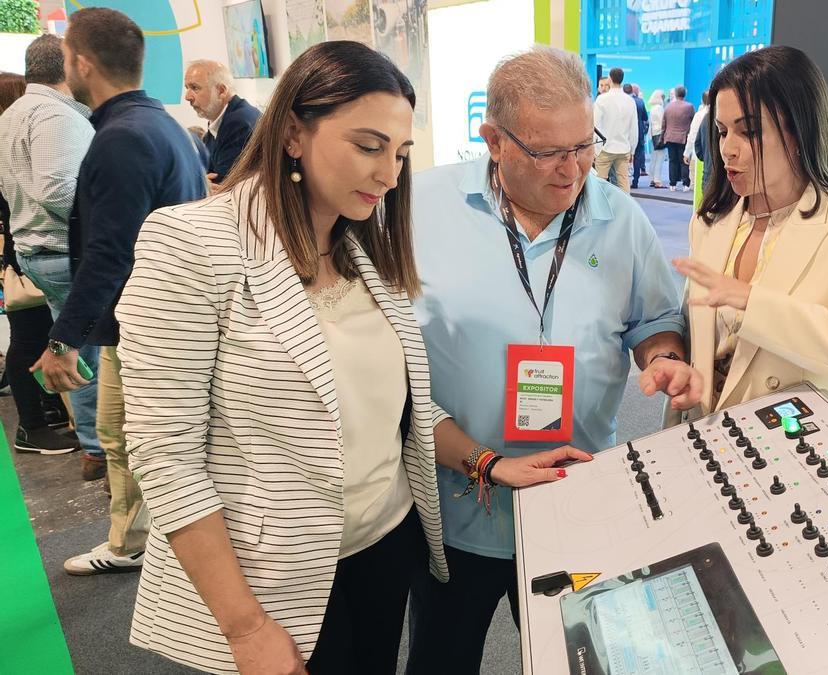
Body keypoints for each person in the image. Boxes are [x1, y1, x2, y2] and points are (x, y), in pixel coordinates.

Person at [118, 40, 576, 674]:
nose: (389, 173)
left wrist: (489, 463)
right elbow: (164, 452)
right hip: (275, 581)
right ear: (293, 135)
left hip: (386, 547)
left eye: (400, 153)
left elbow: (405, 405)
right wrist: (246, 626)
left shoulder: (368, 255)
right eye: (369, 146)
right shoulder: (193, 243)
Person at [406, 46, 703, 674]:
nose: (573, 170)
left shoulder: (619, 218)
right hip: (456, 502)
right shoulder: (419, 206)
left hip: (576, 496)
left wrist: (665, 356)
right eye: (548, 153)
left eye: (584, 145)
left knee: (582, 659)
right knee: (441, 656)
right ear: (493, 140)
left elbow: (654, 318)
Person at [31, 7, 207, 576]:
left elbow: (111, 250)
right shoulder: (163, 126)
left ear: (81, 61)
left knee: (135, 437)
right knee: (124, 433)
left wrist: (63, 340)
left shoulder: (121, 139)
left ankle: (148, 545)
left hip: (146, 322)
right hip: (158, 314)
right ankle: (137, 540)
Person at [673, 46, 828, 422]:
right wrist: (677, 364)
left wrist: (754, 304)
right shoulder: (710, 223)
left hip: (800, 444)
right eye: (722, 132)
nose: (728, 150)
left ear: (799, 129)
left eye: (748, 130)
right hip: (711, 438)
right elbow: (706, 345)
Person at [0, 35, 101, 470]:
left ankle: (94, 443)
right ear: (70, 67)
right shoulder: (53, 115)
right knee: (91, 349)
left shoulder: (15, 113)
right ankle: (99, 447)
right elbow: (58, 188)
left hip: (39, 250)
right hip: (64, 250)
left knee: (77, 346)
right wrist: (106, 218)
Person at [0, 71, 78, 455]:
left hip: (23, 254)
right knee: (34, 341)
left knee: (46, 340)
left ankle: (46, 417)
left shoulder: (10, 140)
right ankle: (32, 426)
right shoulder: (22, 140)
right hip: (28, 257)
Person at [184, 59, 262, 187]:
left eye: (195, 88)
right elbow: (208, 172)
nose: (187, 97)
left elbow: (222, 187)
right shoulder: (218, 119)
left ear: (221, 91)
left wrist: (201, 183)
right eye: (187, 88)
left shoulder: (238, 123)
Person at [593, 67, 638, 193]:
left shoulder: (602, 99)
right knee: (624, 183)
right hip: (623, 148)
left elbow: (594, 125)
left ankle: (600, 209)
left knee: (599, 182)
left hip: (605, 148)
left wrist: (594, 148)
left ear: (610, 79)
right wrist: (632, 150)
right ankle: (626, 210)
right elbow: (634, 128)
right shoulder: (630, 101)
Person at [663, 84, 696, 191]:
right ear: (685, 94)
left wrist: (663, 136)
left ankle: (672, 184)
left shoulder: (668, 106)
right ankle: (685, 184)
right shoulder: (689, 107)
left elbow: (664, 123)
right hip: (683, 138)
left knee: (672, 161)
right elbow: (693, 122)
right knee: (684, 161)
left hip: (670, 137)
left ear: (676, 94)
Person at [625, 82, 649, 189]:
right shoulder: (640, 102)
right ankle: (635, 181)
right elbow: (645, 118)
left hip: (624, 133)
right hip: (638, 133)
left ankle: (622, 181)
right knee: (638, 158)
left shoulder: (623, 102)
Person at [648, 88, 666, 188]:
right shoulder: (659, 108)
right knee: (659, 158)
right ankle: (657, 180)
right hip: (659, 134)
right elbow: (662, 122)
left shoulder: (653, 108)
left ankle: (652, 178)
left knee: (654, 158)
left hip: (653, 135)